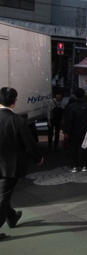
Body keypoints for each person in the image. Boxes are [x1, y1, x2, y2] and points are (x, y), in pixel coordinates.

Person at [0, 87, 44, 240]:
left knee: (3, 194)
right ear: (14, 101)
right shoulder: (17, 120)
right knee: (3, 195)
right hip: (10, 165)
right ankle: (8, 218)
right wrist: (38, 158)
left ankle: (11, 216)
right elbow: (29, 142)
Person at [63, 88, 87, 172]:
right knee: (84, 147)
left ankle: (74, 166)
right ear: (84, 95)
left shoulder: (71, 107)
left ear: (75, 96)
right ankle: (84, 165)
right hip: (85, 130)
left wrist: (66, 131)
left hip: (73, 131)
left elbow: (68, 120)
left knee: (73, 149)